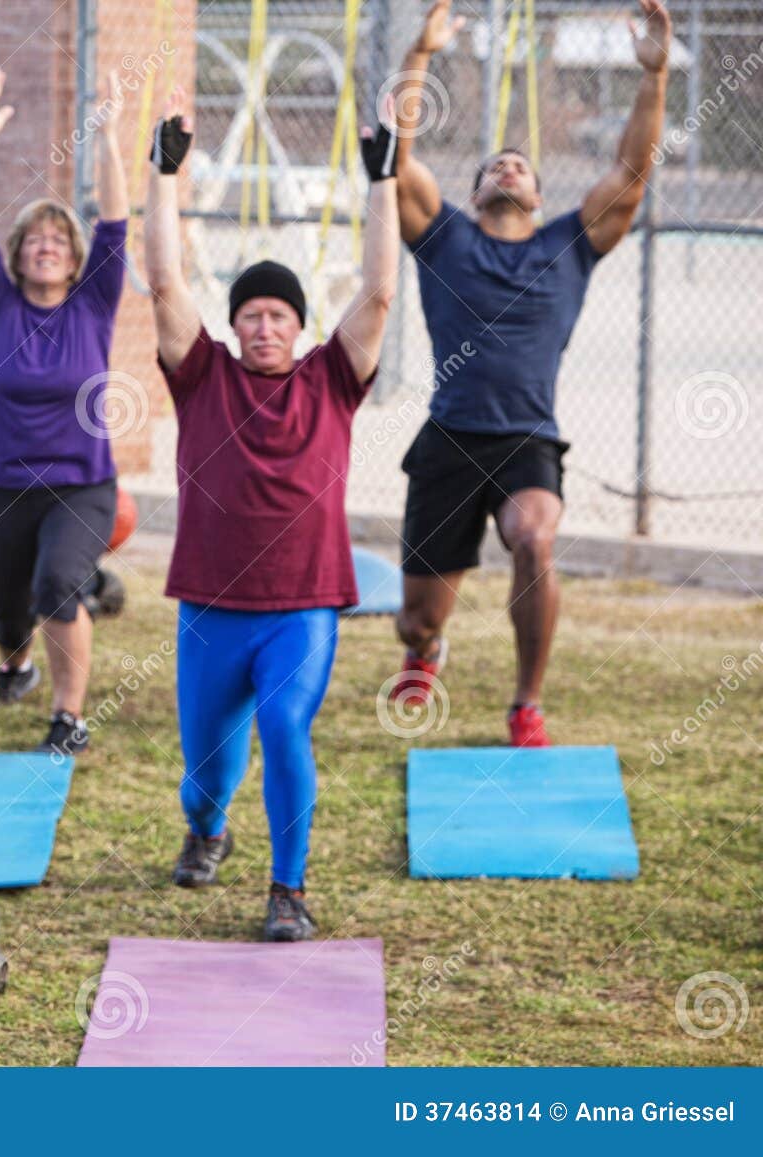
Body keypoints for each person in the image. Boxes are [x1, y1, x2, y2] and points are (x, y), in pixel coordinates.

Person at [144, 88, 400, 940]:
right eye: (251, 313)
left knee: (286, 723)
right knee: (206, 770)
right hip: (212, 609)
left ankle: (288, 888)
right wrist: (165, 174)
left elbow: (380, 290)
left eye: (278, 315)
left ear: (298, 327)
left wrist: (383, 176)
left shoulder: (331, 378)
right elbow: (163, 279)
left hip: (302, 606)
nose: (263, 326)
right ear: (235, 322)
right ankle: (208, 827)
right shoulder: (202, 374)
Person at [388, 0, 671, 746]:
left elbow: (631, 168)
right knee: (415, 618)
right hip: (449, 439)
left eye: (521, 164)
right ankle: (428, 652)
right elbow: (396, 154)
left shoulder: (569, 243)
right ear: (476, 191)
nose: (507, 165)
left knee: (536, 539)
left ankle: (525, 704)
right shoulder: (444, 237)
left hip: (526, 440)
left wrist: (655, 75)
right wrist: (419, 55)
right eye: (492, 165)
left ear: (540, 196)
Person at [0, 66, 131, 755]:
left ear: (75, 258)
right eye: (35, 238)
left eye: (59, 238)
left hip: (82, 483)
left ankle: (69, 715)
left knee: (59, 583)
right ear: (20, 256)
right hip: (5, 483)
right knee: (6, 611)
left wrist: (111, 135)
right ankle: (16, 663)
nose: (48, 245)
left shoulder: (95, 304)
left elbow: (115, 223)